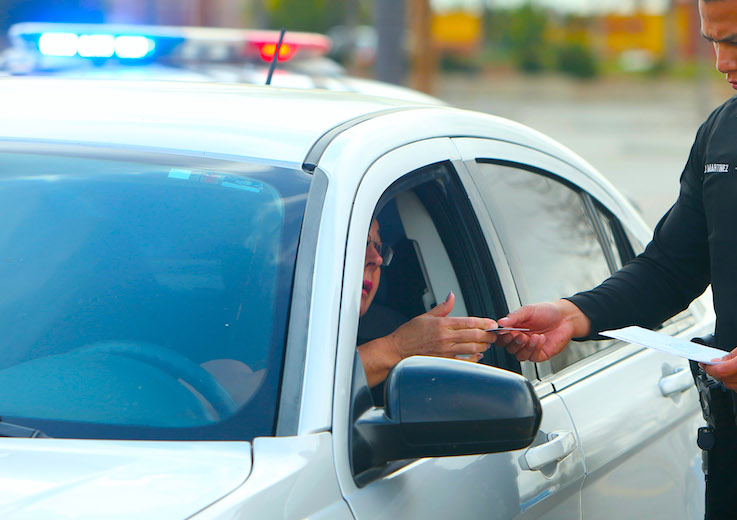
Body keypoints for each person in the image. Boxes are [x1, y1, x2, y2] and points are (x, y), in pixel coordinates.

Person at [495, 1, 737, 517]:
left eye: (734, 42)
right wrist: (575, 314)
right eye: (712, 41)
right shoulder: (721, 135)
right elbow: (670, 268)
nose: (721, 62)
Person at [357, 219, 498, 388]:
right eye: (360, 243)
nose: (377, 259)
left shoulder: (387, 325)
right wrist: (397, 349)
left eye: (379, 248)